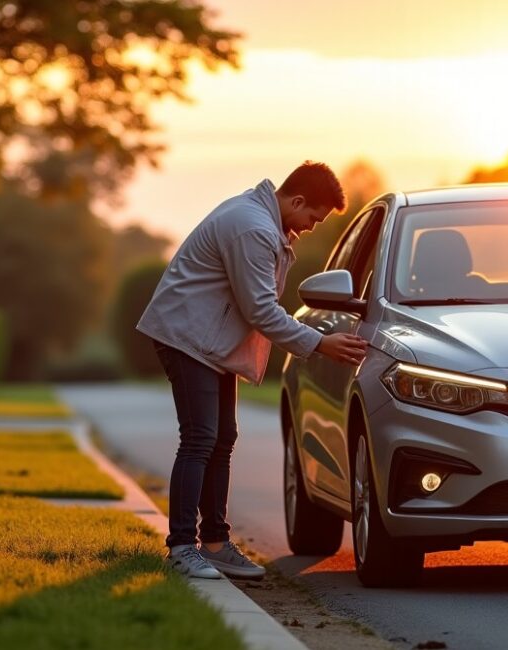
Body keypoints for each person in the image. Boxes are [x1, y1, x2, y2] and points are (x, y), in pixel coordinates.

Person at [137, 162, 369, 580]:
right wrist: (319, 343)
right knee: (200, 438)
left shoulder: (261, 220)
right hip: (187, 337)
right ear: (296, 200)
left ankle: (215, 543)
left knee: (222, 437)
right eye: (313, 218)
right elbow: (260, 308)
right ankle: (182, 547)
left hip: (211, 341)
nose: (311, 227)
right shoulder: (254, 229)